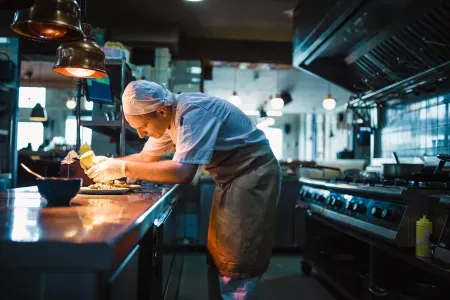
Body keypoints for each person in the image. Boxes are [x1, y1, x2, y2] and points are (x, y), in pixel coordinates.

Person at [84, 80, 281, 299]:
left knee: (239, 256)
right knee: (222, 254)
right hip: (230, 180)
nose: (141, 135)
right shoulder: (167, 119)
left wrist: (122, 167)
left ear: (160, 111)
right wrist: (107, 165)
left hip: (253, 176)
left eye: (143, 127)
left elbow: (183, 172)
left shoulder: (192, 113)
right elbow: (145, 157)